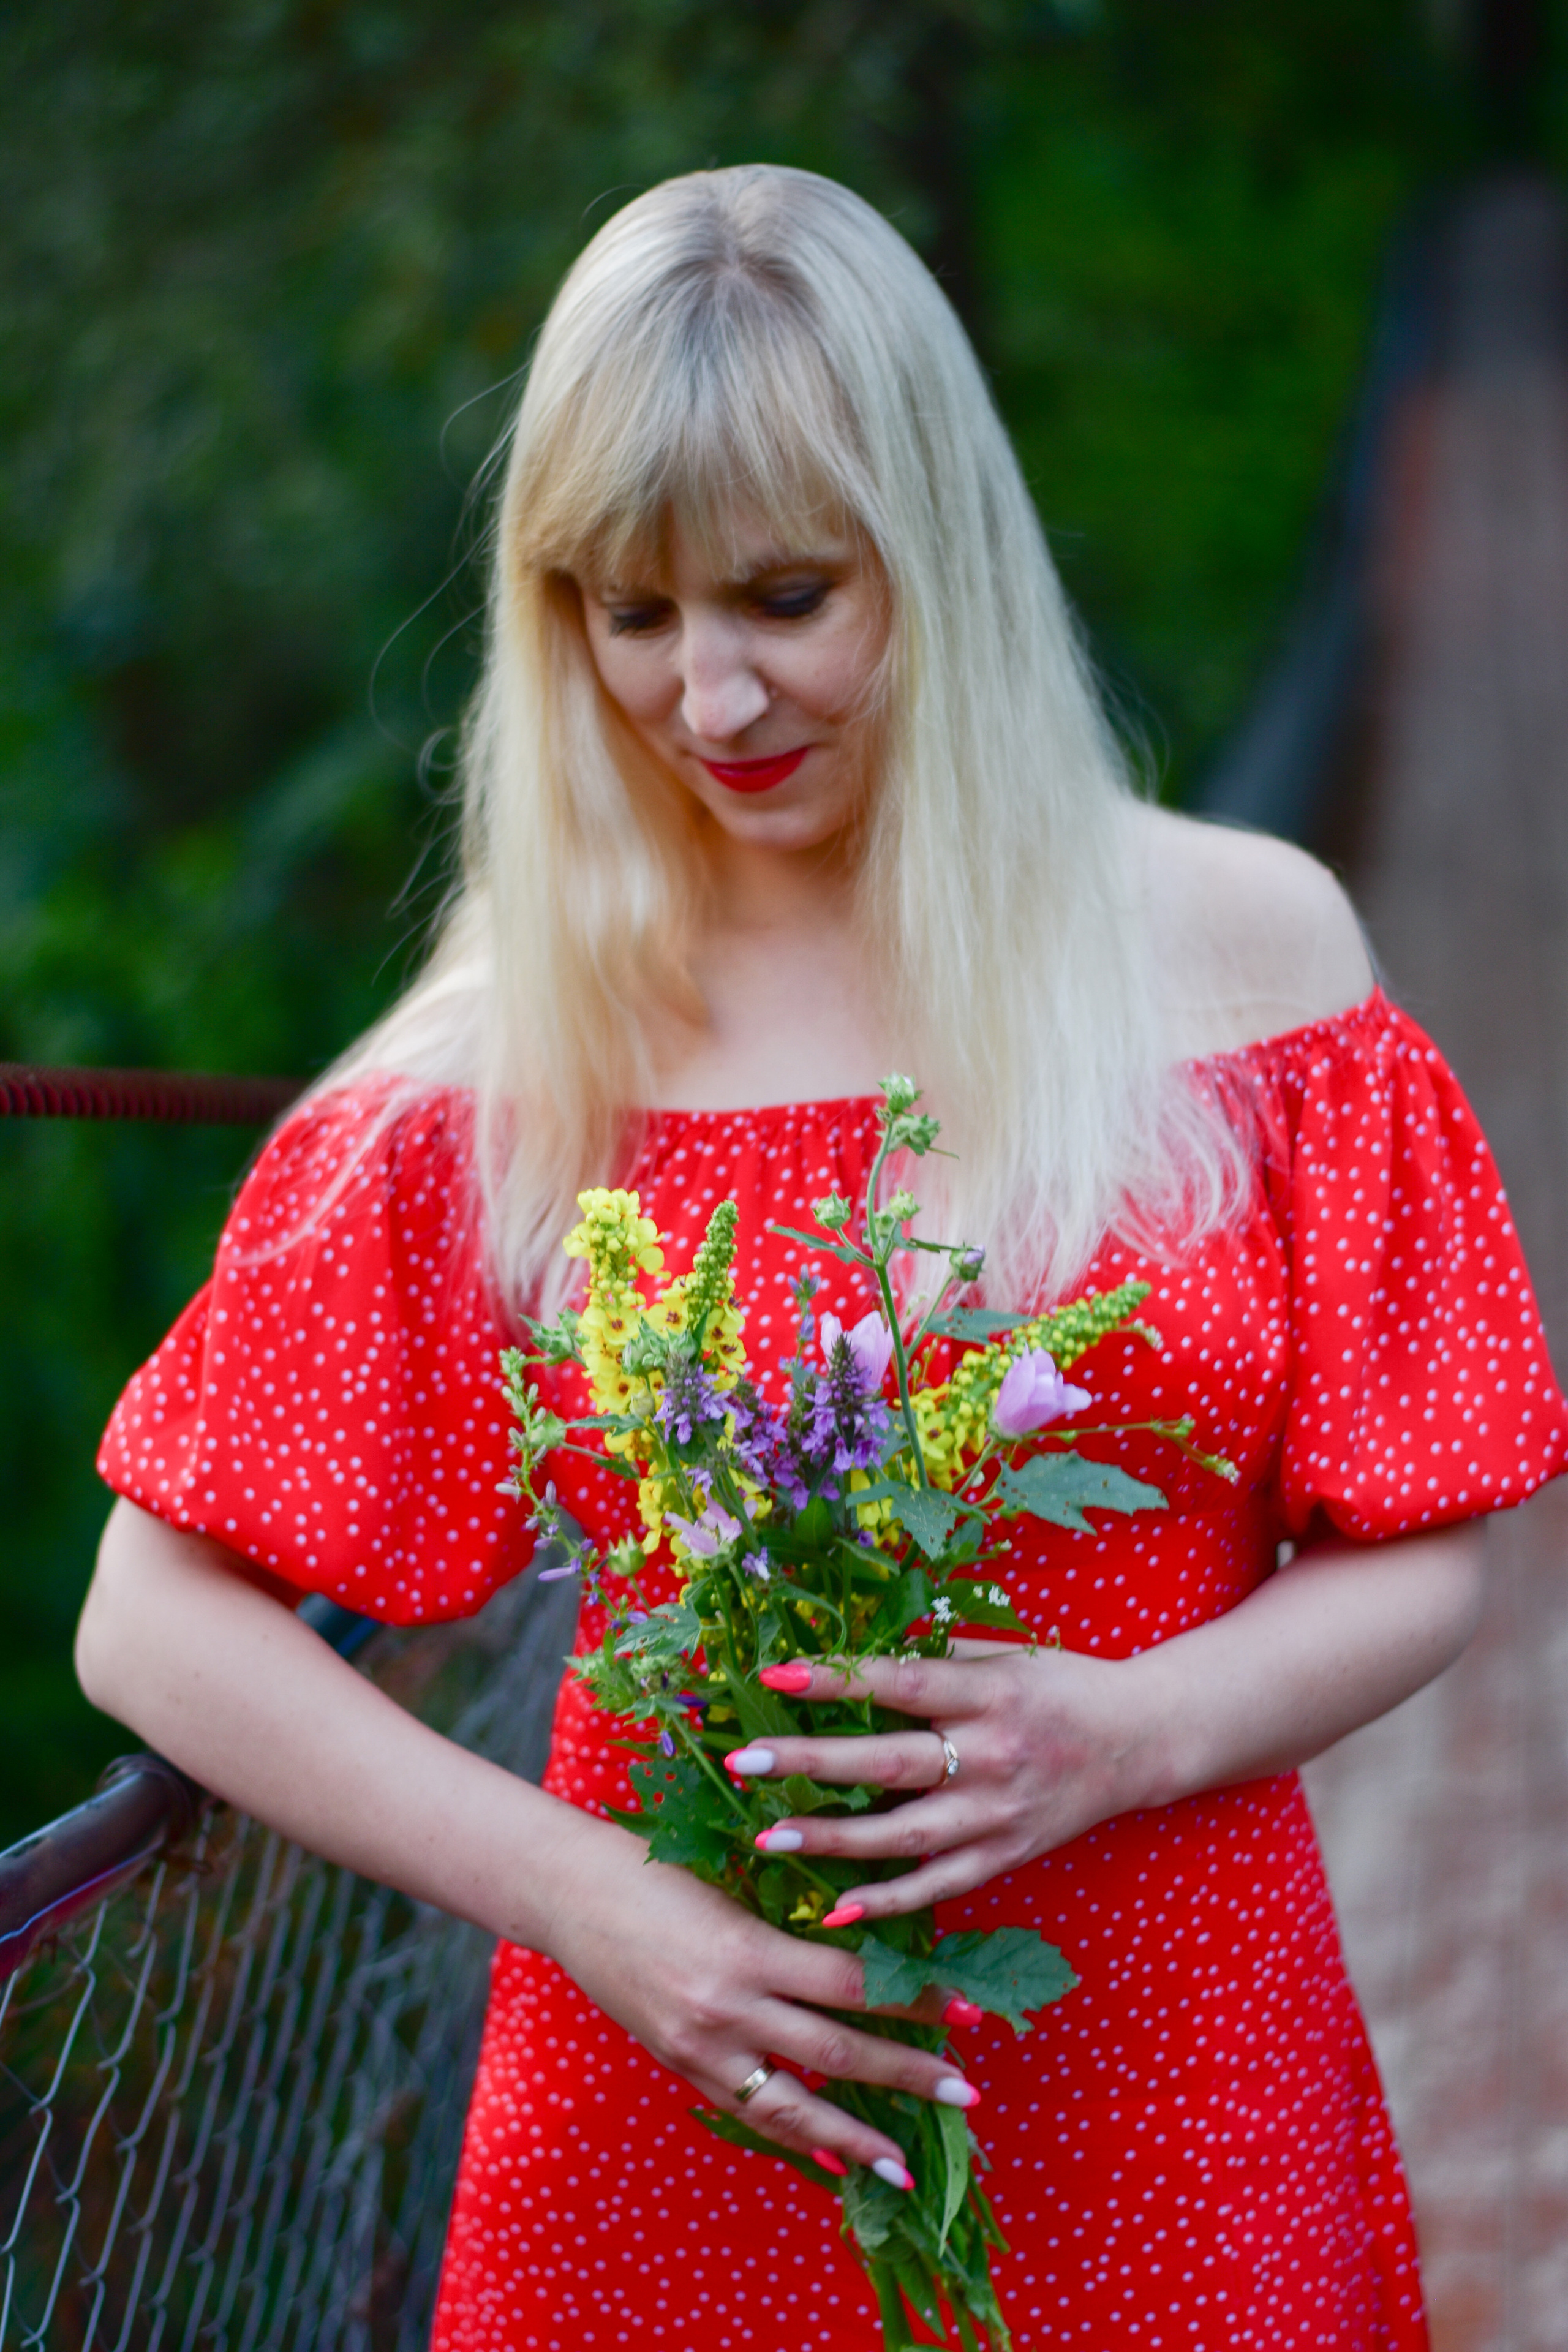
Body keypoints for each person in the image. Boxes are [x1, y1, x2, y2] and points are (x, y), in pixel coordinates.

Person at [76, 165, 1566, 2351]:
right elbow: (152, 1619)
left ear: (937, 552)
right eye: (629, 609)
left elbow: (1428, 1543)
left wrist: (1125, 1734)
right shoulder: (533, 1029)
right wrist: (581, 1898)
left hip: (1171, 2065)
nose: (711, 695)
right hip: (674, 2101)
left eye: (787, 596)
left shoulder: (1246, 959)